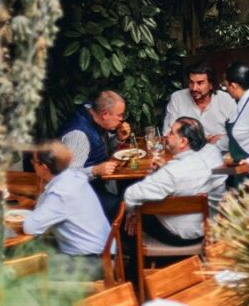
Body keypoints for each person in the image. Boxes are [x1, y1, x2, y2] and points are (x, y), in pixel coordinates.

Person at [123, 116, 215, 247]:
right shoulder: (206, 161)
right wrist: (165, 168)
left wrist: (132, 214)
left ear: (183, 142)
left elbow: (131, 195)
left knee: (123, 211)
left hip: (176, 236)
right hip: (203, 231)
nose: (166, 135)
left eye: (171, 132)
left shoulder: (171, 173)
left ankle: (136, 263)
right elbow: (184, 178)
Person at [23, 142, 111, 275]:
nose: (32, 164)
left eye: (33, 161)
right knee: (33, 249)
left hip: (91, 263)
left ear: (44, 166)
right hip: (105, 253)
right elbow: (40, 213)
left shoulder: (60, 193)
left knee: (26, 268)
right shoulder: (73, 176)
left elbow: (30, 227)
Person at [59, 90, 128, 217]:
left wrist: (119, 138)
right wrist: (95, 170)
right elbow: (68, 177)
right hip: (79, 192)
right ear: (105, 114)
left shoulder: (94, 114)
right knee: (122, 208)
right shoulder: (79, 136)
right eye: (119, 115)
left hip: (96, 184)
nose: (122, 120)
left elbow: (100, 149)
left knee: (128, 188)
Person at [161, 62, 237, 150]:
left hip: (219, 154)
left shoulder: (226, 100)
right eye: (191, 82)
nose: (194, 88)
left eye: (200, 83)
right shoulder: (177, 98)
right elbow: (168, 134)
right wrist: (204, 141)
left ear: (211, 85)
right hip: (186, 155)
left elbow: (236, 136)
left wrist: (187, 140)